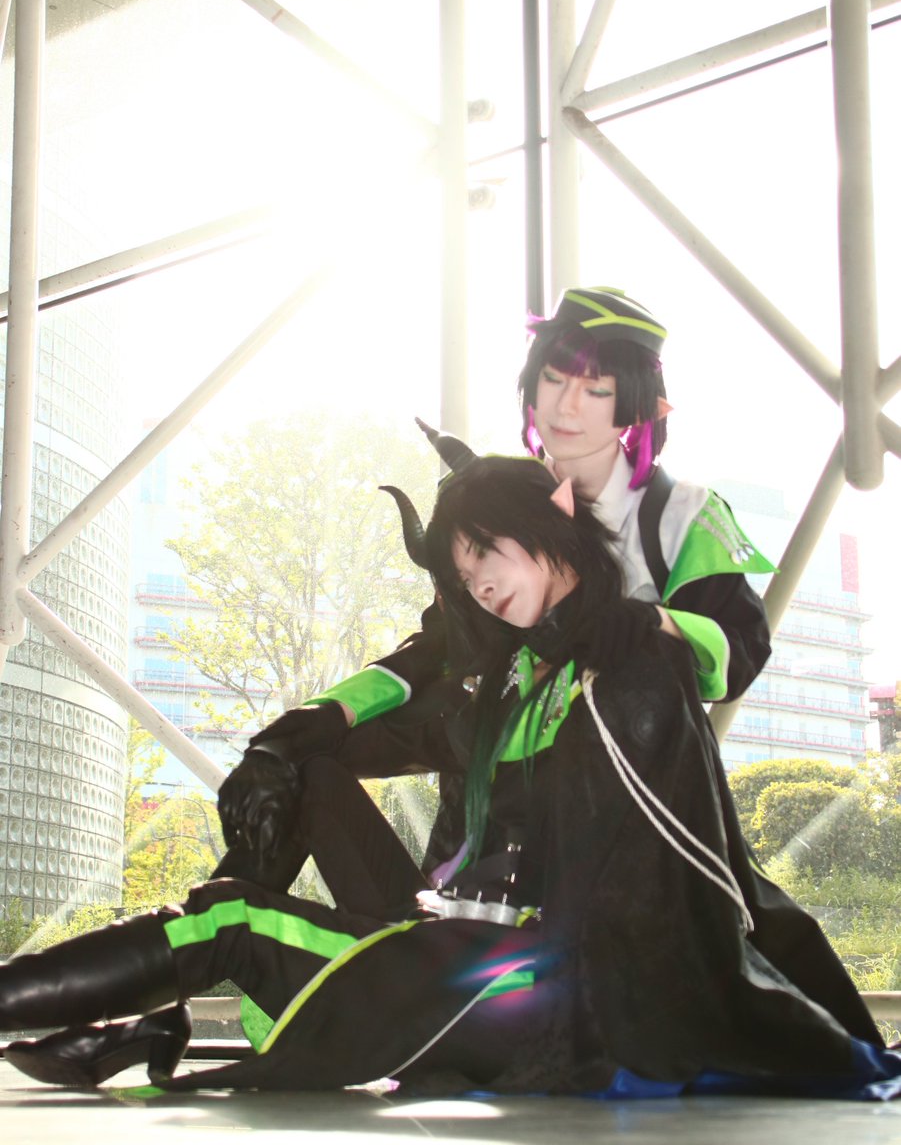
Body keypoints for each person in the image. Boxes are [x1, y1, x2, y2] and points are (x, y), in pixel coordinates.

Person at [1, 457, 898, 1099]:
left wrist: (648, 632)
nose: (477, 588)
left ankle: (148, 1015)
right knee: (298, 778)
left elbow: (677, 869)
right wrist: (278, 748)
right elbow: (390, 709)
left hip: (543, 988)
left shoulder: (627, 668)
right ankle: (160, 1019)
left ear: (553, 520)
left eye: (485, 556)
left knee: (231, 922)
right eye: (462, 576)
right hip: (468, 946)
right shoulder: (508, 684)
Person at [215, 285, 776, 885]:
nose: (565, 407)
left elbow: (738, 650)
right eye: (553, 379)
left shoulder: (679, 515)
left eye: (596, 390)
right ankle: (215, 915)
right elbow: (438, 649)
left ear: (641, 406)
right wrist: (317, 720)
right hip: (495, 785)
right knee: (298, 760)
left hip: (622, 813)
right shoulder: (503, 503)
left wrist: (651, 625)